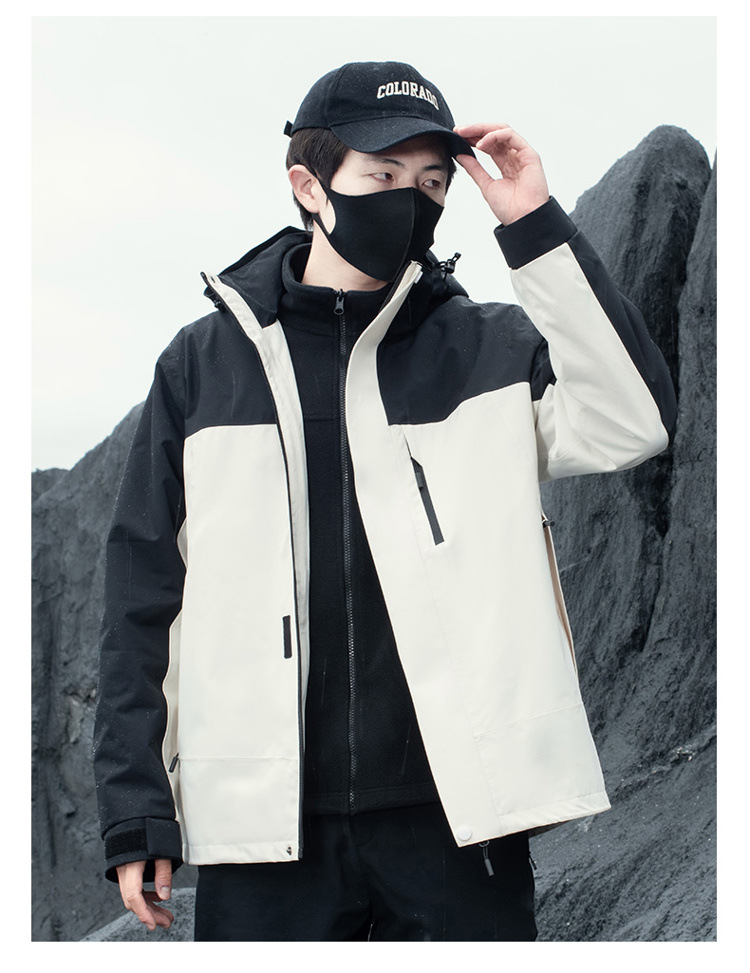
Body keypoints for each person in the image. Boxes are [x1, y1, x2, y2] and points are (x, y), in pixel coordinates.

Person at [92, 60, 677, 942]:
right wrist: (137, 809)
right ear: (309, 186)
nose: (410, 200)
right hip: (265, 831)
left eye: (432, 182)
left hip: (459, 822)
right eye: (383, 175)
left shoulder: (487, 347)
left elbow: (634, 420)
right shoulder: (202, 367)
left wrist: (532, 223)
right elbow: (141, 598)